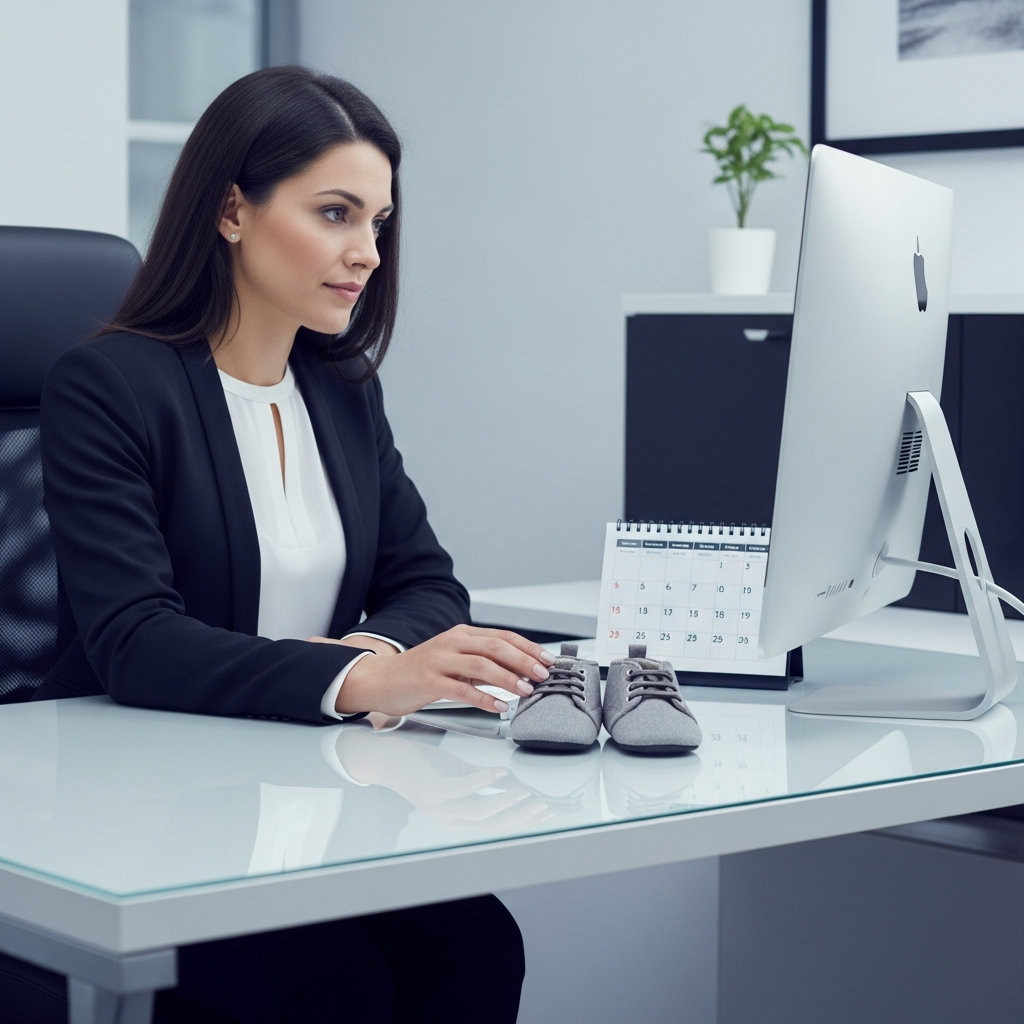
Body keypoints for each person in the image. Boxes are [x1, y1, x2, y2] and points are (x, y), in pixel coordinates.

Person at [20, 65, 554, 1023]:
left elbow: (426, 580)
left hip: (299, 785)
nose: (368, 253)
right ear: (232, 210)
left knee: (475, 946)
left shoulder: (340, 388)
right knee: (327, 988)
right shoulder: (108, 385)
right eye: (337, 214)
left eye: (379, 224)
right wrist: (359, 685)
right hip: (141, 805)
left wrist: (378, 654)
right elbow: (135, 638)